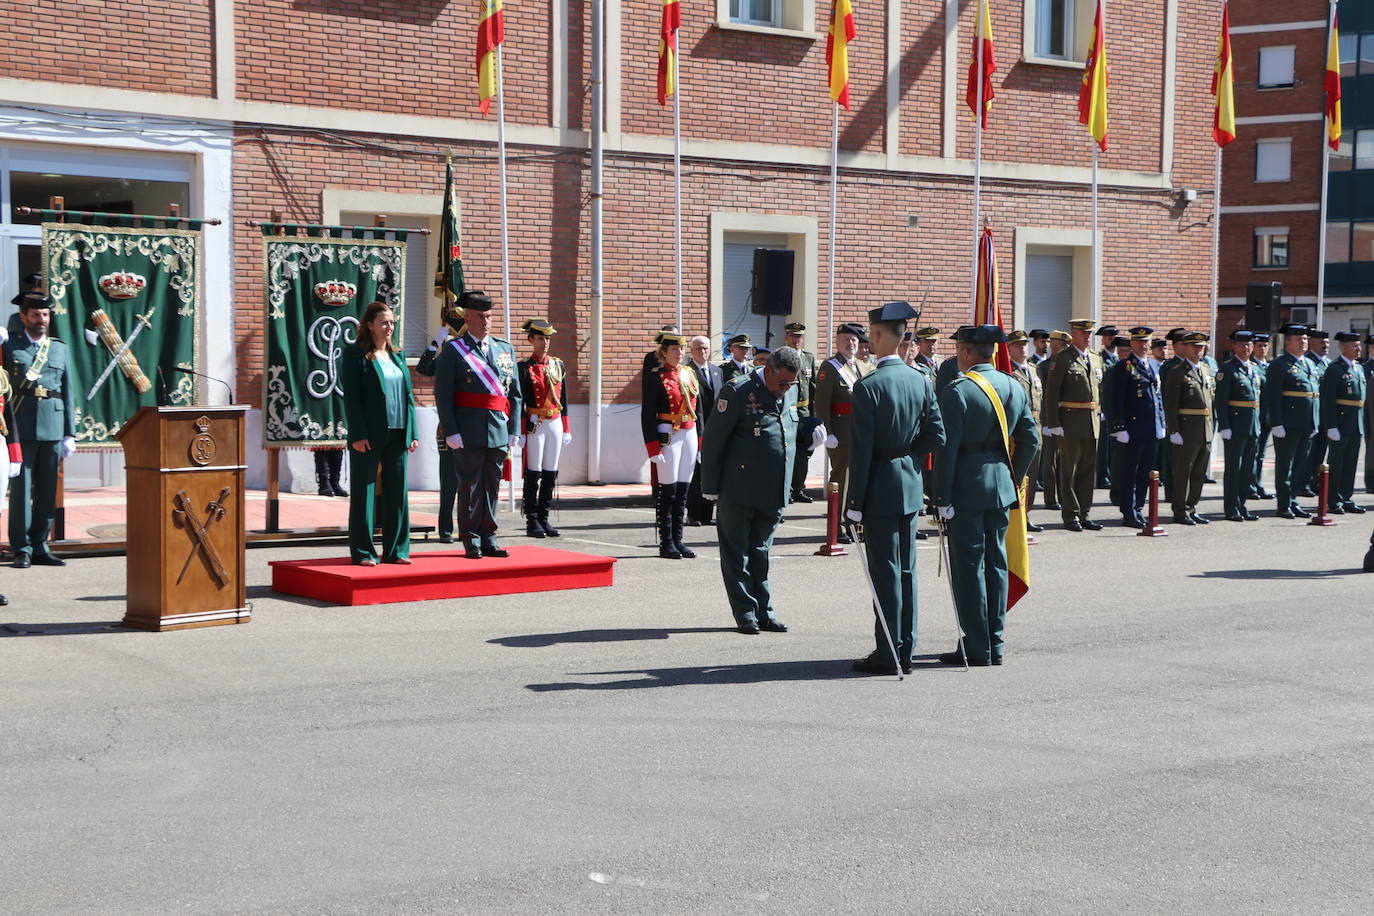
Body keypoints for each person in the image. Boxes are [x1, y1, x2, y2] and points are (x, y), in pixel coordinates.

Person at [845, 302, 945, 675]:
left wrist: (853, 503)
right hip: (908, 484)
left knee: (886, 572)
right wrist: (907, 459)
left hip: (880, 489)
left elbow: (863, 450)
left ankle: (888, 651)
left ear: (875, 336)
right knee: (907, 571)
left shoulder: (868, 385)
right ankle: (906, 647)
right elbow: (937, 435)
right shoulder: (920, 379)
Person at [932, 325, 1038, 667]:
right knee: (997, 563)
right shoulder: (1012, 385)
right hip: (1001, 486)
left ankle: (976, 645)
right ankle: (995, 640)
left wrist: (940, 495)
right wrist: (1013, 477)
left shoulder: (958, 389)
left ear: (965, 352)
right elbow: (1031, 440)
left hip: (966, 487)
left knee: (969, 567)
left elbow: (947, 449)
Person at [701, 347, 818, 633]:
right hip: (738, 488)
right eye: (782, 383)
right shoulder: (737, 391)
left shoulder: (788, 390)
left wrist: (809, 439)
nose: (786, 389)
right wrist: (710, 486)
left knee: (761, 552)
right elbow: (714, 440)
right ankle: (745, 613)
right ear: (767, 370)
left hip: (774, 489)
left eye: (791, 384)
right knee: (737, 553)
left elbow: (788, 434)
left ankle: (764, 611)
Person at [435, 290, 522, 559]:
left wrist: (514, 430)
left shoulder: (504, 348)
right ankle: (470, 538)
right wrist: (451, 431)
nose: (485, 321)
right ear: (468, 318)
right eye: (479, 316)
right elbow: (443, 394)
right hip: (467, 429)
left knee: (491, 487)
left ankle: (489, 537)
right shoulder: (453, 349)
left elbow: (515, 394)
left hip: (497, 428)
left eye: (489, 316)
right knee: (469, 487)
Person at [340, 301, 418, 566]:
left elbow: (408, 397)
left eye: (392, 322)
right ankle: (363, 552)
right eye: (384, 322)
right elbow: (352, 398)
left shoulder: (398, 355)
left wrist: (413, 432)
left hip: (398, 433)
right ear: (369, 325)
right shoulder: (356, 355)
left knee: (398, 494)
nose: (389, 327)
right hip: (369, 436)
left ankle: (397, 550)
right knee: (365, 492)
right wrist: (358, 434)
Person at [5, 292, 74, 568]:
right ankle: (21, 548)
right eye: (36, 315)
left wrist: (71, 432)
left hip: (53, 425)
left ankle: (40, 545)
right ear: (23, 318)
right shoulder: (10, 345)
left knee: (47, 489)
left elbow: (69, 390)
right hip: (20, 427)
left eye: (45, 315)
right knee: (21, 491)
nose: (41, 319)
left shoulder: (59, 348)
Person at [642, 331, 701, 559]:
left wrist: (701, 440)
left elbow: (699, 409)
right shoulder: (656, 376)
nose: (679, 353)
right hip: (669, 432)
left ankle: (678, 539)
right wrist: (652, 446)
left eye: (681, 349)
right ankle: (666, 542)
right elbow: (647, 414)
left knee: (684, 489)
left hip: (689, 431)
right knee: (668, 490)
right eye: (674, 349)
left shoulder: (688, 373)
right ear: (664, 352)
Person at [1041, 318, 1104, 531]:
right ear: (1073, 334)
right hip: (1069, 422)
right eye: (1083, 333)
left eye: (1089, 333)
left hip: (1091, 422)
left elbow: (1099, 390)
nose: (1087, 336)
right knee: (1069, 470)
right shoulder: (1062, 359)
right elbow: (1051, 393)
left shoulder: (1096, 359)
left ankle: (1084, 512)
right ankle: (1070, 515)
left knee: (1088, 470)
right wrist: (1053, 422)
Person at [814, 322, 869, 543]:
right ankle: (836, 527)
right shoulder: (829, 367)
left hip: (862, 432)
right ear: (838, 342)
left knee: (860, 479)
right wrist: (828, 432)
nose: (850, 343)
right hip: (842, 434)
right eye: (846, 339)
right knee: (842, 480)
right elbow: (822, 402)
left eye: (854, 340)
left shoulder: (864, 367)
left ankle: (856, 524)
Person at [415, 303, 465, 542]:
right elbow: (424, 367)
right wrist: (436, 343)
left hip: (471, 422)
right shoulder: (444, 359)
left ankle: (468, 526)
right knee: (449, 482)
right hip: (447, 425)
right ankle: (445, 529)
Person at [517, 318, 571, 537]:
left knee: (550, 471)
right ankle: (532, 519)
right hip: (535, 422)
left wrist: (567, 427)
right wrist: (520, 431)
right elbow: (519, 401)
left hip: (555, 421)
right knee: (534, 472)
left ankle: (544, 516)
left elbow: (564, 398)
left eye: (547, 338)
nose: (545, 342)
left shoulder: (557, 364)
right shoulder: (524, 367)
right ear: (531, 339)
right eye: (540, 338)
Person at [1106, 327, 1164, 528]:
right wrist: (1120, 426)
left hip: (1150, 428)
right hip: (1132, 429)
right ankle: (1128, 511)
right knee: (1129, 471)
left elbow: (1157, 398)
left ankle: (1138, 508)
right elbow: (1117, 398)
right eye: (1139, 342)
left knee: (1144, 472)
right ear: (1132, 344)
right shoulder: (1124, 366)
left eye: (1146, 341)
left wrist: (1161, 422)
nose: (1143, 345)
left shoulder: (1153, 366)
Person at [1266, 324, 1321, 519]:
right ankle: (1283, 505)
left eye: (1305, 339)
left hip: (1306, 424)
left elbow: (1314, 395)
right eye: (1298, 339)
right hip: (1288, 424)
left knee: (1300, 466)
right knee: (1285, 466)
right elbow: (1273, 397)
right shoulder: (1279, 365)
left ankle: (1294, 501)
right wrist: (1277, 423)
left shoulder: (1310, 364)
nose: (1303, 342)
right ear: (1287, 342)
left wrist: (1315, 422)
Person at [1162, 331, 1214, 525]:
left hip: (1204, 428)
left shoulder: (1206, 370)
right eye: (1194, 347)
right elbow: (1170, 403)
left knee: (1199, 473)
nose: (1198, 350)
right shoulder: (1178, 372)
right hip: (1186, 428)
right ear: (1187, 348)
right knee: (1184, 471)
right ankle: (1180, 510)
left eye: (1201, 347)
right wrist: (1174, 430)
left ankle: (1192, 507)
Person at [1214, 330, 1263, 522]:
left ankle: (1242, 505)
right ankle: (1231, 507)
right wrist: (1224, 425)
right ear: (1234, 347)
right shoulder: (1227, 369)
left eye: (1249, 344)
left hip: (1252, 426)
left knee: (1247, 469)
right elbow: (1221, 399)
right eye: (1242, 345)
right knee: (1233, 468)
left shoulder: (1254, 369)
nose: (1246, 348)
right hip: (1235, 426)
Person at [1320, 331, 1367, 514]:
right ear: (1344, 347)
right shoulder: (1334, 369)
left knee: (1350, 464)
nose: (1358, 349)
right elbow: (1328, 400)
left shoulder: (1359, 368)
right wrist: (1331, 425)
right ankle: (1333, 500)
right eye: (1354, 345)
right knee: (1337, 463)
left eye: (1359, 345)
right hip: (1340, 423)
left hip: (1355, 423)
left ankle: (1346, 497)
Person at [1006, 330, 1045, 533]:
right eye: (1017, 345)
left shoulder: (1033, 369)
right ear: (1009, 348)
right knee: (1019, 474)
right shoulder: (1008, 371)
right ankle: (1016, 514)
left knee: (1033, 474)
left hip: (1036, 427)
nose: (1023, 348)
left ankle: (1026, 513)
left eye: (1024, 344)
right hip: (1019, 430)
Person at [687, 335, 724, 524]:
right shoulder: (688, 371)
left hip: (715, 429)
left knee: (712, 471)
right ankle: (694, 513)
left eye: (706, 348)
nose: (702, 352)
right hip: (696, 429)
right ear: (692, 351)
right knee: (696, 473)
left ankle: (707, 514)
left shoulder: (717, 371)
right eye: (698, 349)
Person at [784, 322, 819, 503]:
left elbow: (813, 387)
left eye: (799, 336)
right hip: (787, 412)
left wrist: (814, 415)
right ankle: (787, 490)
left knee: (804, 453)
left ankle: (798, 488)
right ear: (786, 338)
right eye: (792, 336)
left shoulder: (808, 358)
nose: (796, 340)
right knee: (787, 452)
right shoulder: (780, 357)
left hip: (804, 412)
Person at [1036, 330, 1069, 512]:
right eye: (1060, 344)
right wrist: (1048, 421)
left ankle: (1064, 496)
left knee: (1064, 460)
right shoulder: (1044, 367)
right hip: (1050, 418)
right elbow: (1044, 396)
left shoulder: (1068, 364)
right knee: (1050, 462)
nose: (1063, 347)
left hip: (1066, 418)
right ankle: (1050, 498)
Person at [1303, 329, 1332, 495]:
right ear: (1312, 343)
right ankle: (1303, 482)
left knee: (1321, 450)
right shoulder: (1308, 362)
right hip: (1311, 413)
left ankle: (1315, 481)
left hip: (1325, 414)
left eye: (1327, 342)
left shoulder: (1328, 363)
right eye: (1321, 342)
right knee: (1309, 451)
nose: (1325, 345)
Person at [1250, 332, 1274, 500]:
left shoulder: (1271, 367)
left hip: (1268, 417)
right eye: (1259, 346)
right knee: (1252, 453)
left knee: (1261, 455)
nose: (1263, 349)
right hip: (1255, 417)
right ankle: (1250, 485)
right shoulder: (1251, 366)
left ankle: (1257, 484)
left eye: (1265, 346)